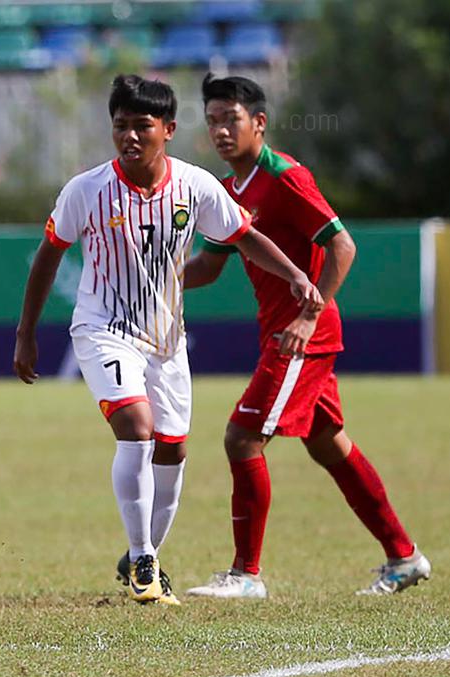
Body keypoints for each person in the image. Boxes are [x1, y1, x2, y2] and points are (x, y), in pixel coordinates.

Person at [13, 75, 322, 606]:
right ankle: (145, 562)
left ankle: (143, 550)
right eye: (120, 126)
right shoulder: (85, 190)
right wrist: (26, 333)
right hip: (102, 330)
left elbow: (243, 237)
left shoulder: (197, 186)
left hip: (166, 339)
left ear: (169, 130)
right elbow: (48, 255)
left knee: (173, 450)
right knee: (137, 427)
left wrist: (295, 274)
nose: (129, 136)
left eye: (142, 126)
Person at [180, 75, 431, 598]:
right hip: (283, 333)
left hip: (302, 335)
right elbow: (208, 266)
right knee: (329, 445)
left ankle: (246, 575)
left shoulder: (286, 177)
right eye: (212, 122)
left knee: (242, 436)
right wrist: (154, 275)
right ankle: (404, 556)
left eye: (231, 119)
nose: (221, 131)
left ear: (259, 123)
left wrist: (308, 317)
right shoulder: (230, 190)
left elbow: (343, 246)